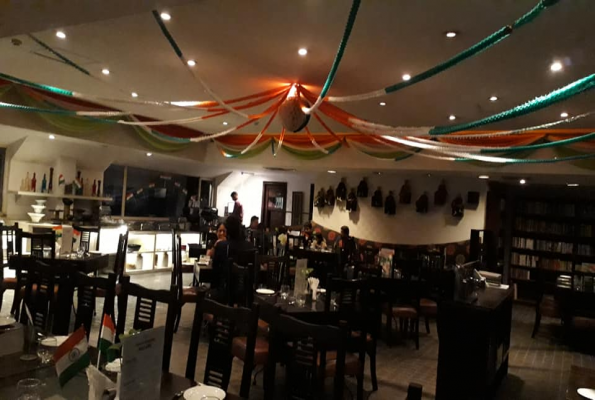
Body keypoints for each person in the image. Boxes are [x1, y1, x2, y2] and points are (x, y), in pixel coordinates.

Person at [211, 215, 255, 297]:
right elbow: (255, 271)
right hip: (247, 293)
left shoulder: (221, 245)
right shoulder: (250, 246)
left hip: (225, 292)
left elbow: (215, 271)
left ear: (227, 231)